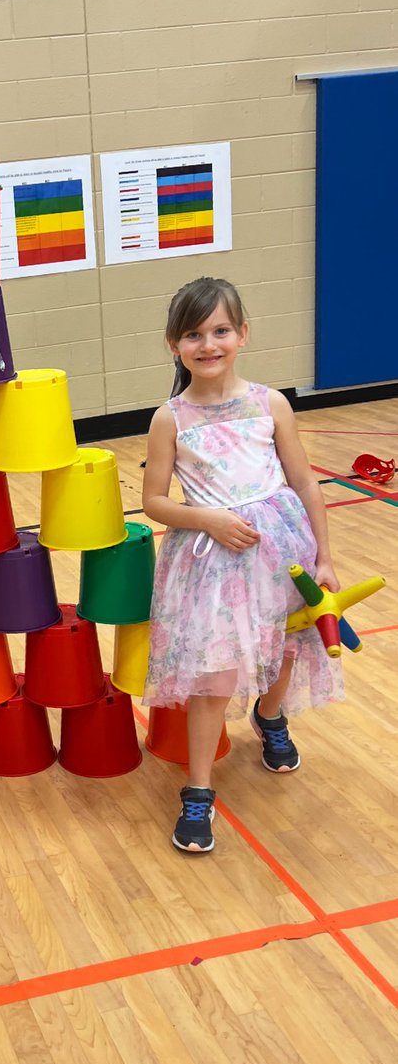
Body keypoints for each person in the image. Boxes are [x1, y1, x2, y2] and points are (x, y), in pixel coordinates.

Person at [141, 277, 343, 853]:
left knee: (286, 645)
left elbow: (303, 480)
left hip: (283, 551)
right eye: (194, 334)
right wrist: (207, 519)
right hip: (212, 562)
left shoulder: (270, 403)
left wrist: (325, 558)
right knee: (212, 678)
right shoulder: (169, 418)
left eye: (221, 330)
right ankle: (199, 791)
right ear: (173, 345)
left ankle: (270, 717)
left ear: (243, 334)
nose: (209, 344)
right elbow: (155, 500)